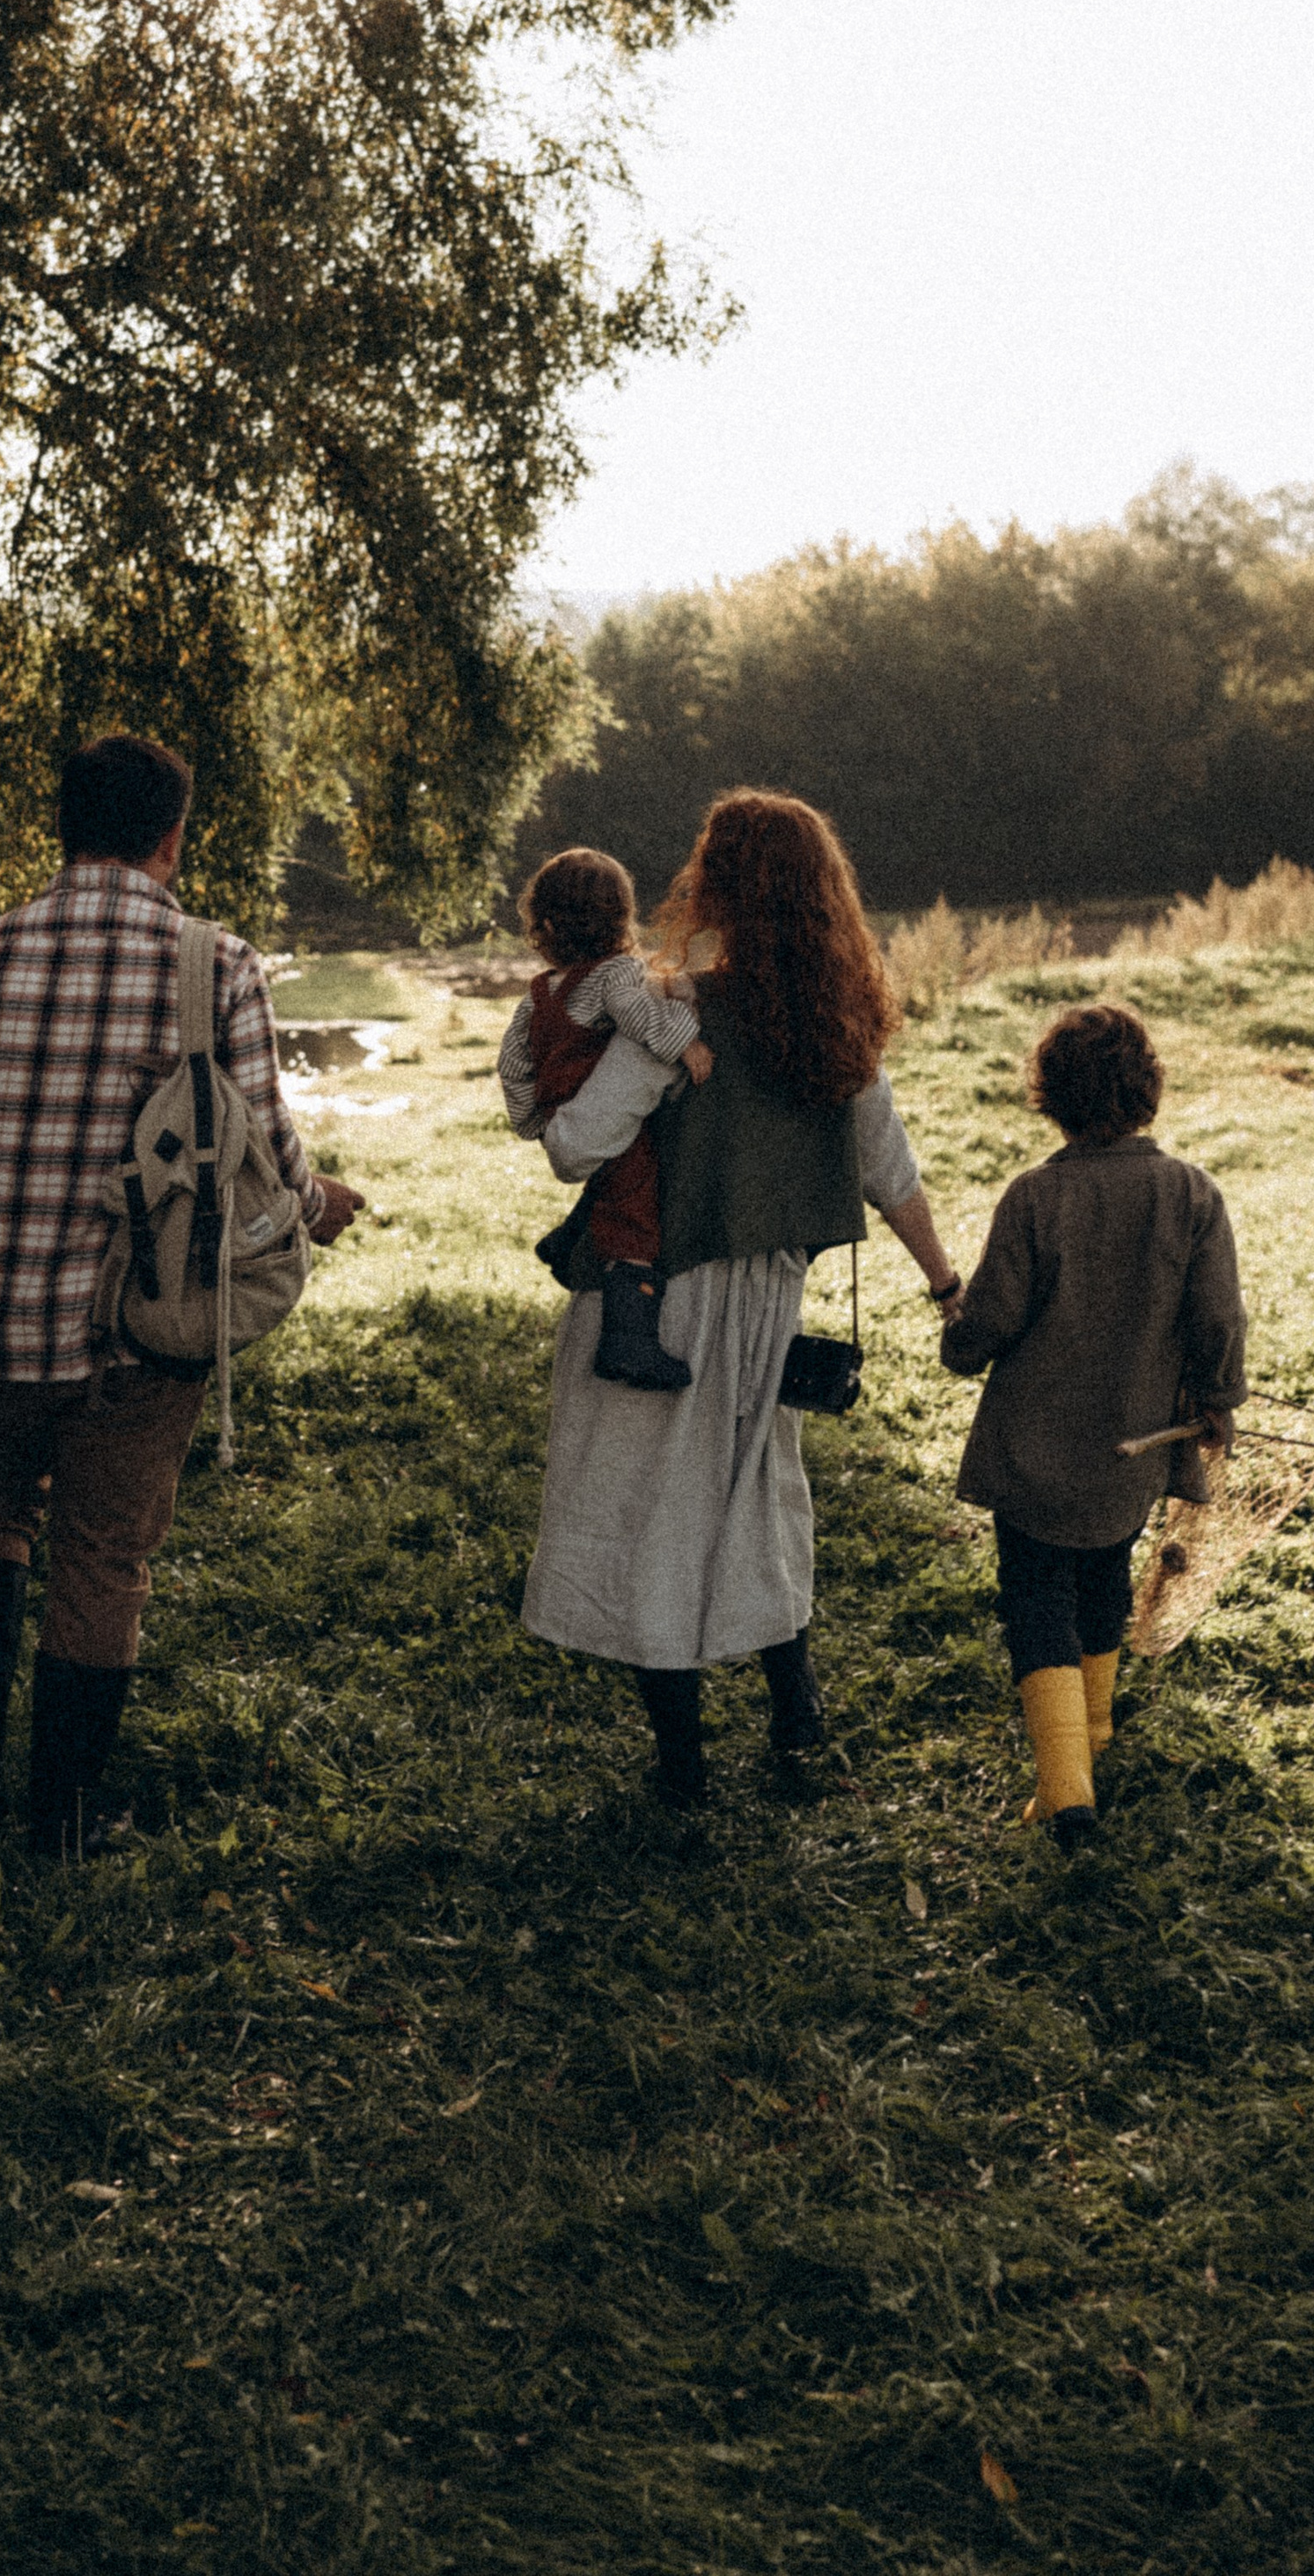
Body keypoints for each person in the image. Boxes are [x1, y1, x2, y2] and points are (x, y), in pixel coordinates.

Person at [0, 732, 360, 1858]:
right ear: (172, 835)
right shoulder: (215, 964)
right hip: (138, 1331)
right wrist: (313, 1205)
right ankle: (63, 1813)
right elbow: (262, 1144)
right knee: (104, 1553)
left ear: (65, 829)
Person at [518, 789, 961, 1805]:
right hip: (765, 1307)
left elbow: (576, 1147)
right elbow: (889, 1174)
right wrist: (945, 1286)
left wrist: (549, 1098)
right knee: (757, 1501)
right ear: (823, 898)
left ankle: (684, 1769)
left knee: (642, 1512)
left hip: (654, 1300)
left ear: (712, 885)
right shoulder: (838, 1029)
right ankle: (796, 1724)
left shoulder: (672, 1016)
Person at [940, 1002, 1248, 1853]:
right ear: (1146, 1090)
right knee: (1105, 1577)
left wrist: (958, 1341)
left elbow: (993, 1316)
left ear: (1052, 1098)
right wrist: (1220, 1399)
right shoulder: (1193, 1195)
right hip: (1133, 1446)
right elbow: (1218, 1317)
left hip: (1035, 1449)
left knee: (1035, 1594)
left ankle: (1067, 1786)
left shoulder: (1036, 1197)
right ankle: (1095, 1734)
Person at [498, 847, 716, 1392]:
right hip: (607, 1113)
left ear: (543, 925)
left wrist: (532, 1120)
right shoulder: (615, 974)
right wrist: (684, 1041)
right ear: (621, 919)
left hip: (562, 1110)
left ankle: (565, 1237)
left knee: (611, 1189)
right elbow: (635, 1012)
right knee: (636, 1217)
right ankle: (629, 1341)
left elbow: (512, 1061)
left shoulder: (539, 993)